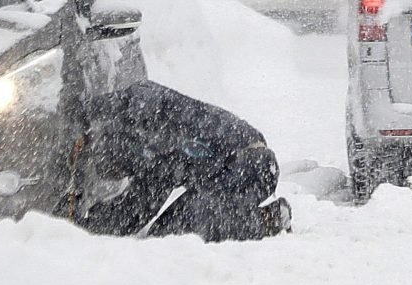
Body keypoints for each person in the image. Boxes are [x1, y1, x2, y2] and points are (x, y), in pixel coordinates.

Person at [81, 81, 291, 240]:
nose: (116, 175)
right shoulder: (156, 148)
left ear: (117, 150)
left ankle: (266, 221)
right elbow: (131, 213)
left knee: (174, 231)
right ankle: (262, 219)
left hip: (252, 165)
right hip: (251, 164)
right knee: (171, 229)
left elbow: (132, 211)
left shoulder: (145, 117)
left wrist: (82, 111)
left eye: (110, 169)